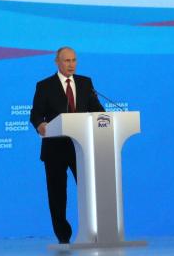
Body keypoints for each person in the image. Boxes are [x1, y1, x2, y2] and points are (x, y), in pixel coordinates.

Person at [29, 46, 104, 244]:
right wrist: (40, 125)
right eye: (67, 60)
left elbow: (98, 111)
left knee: (90, 192)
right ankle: (64, 236)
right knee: (57, 196)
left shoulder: (85, 83)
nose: (71, 64)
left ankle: (94, 232)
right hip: (55, 149)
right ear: (57, 62)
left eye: (74, 60)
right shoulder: (44, 85)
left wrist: (104, 118)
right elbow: (36, 114)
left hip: (82, 148)